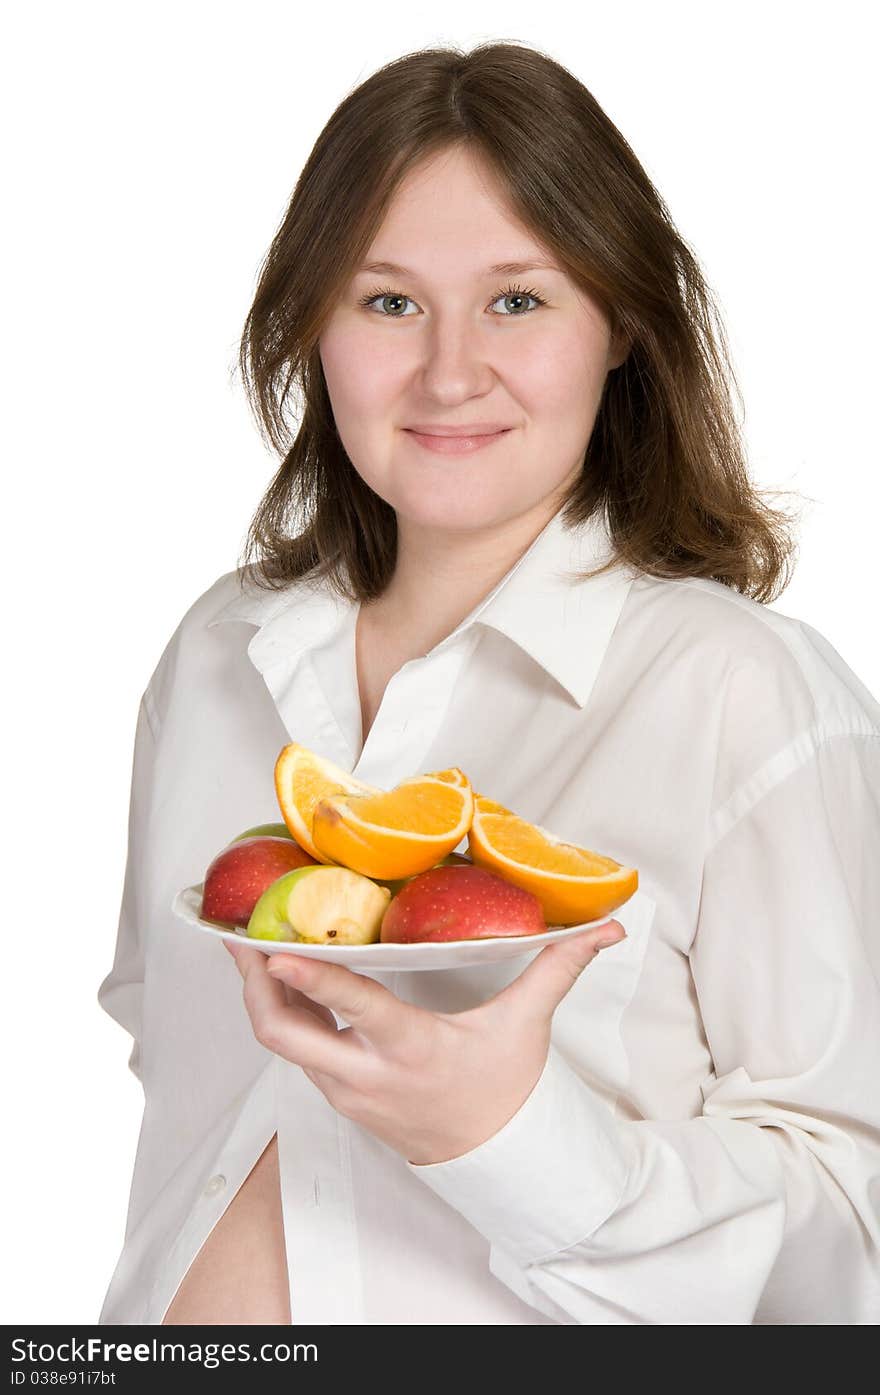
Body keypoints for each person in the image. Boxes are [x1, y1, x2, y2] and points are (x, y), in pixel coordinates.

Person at [96, 41, 880, 1326]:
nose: (449, 373)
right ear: (312, 328)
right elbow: (173, 1060)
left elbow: (851, 1244)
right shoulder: (215, 661)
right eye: (387, 302)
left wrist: (509, 1134)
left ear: (621, 324)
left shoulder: (743, 698)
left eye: (518, 300)